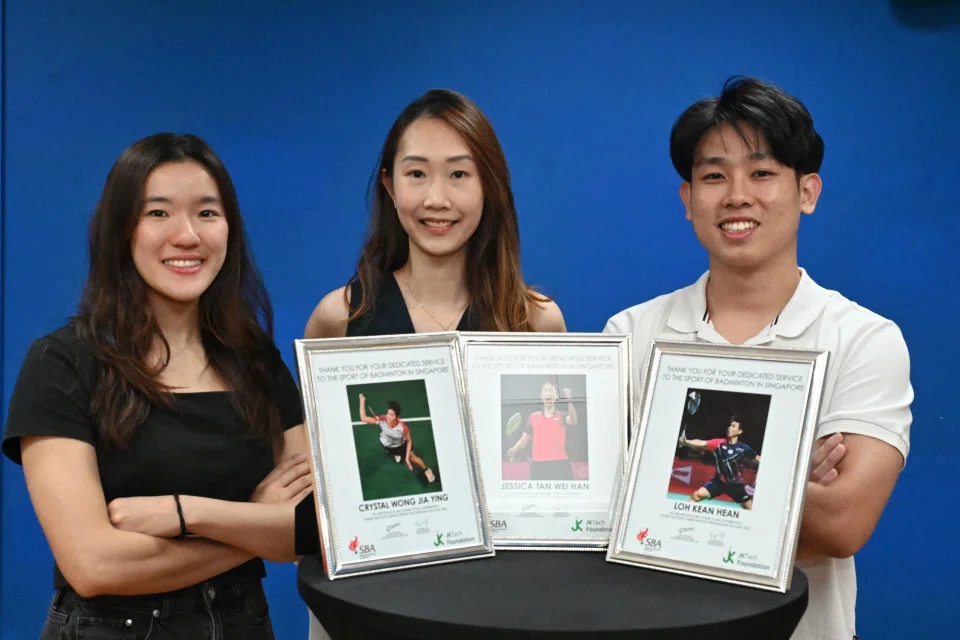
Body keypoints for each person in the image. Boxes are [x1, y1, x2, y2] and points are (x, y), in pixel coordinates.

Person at [604, 76, 912, 640]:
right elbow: (597, 507)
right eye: (713, 175)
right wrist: (790, 473)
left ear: (808, 192)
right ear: (687, 199)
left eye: (763, 173)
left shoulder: (866, 339)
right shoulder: (630, 334)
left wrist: (656, 479)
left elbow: (842, 523)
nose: (736, 195)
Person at [1, 133, 312, 639]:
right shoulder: (62, 362)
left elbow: (310, 527)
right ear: (120, 230)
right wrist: (255, 523)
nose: (187, 235)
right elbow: (94, 565)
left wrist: (184, 513)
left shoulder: (254, 359)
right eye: (158, 213)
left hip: (243, 623)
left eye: (207, 213)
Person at [299, 88, 566, 640]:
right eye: (416, 174)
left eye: (459, 175)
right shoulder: (341, 317)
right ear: (388, 185)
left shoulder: (535, 322)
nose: (436, 198)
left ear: (489, 186)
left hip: (498, 606)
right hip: (365, 606)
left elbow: (551, 480)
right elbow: (319, 478)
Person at [679, 415, 760, 509]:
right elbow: (702, 443)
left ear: (739, 431)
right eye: (730, 425)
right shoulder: (719, 444)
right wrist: (685, 442)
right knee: (696, 495)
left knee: (750, 509)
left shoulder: (743, 448)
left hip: (736, 486)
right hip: (718, 482)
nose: (730, 428)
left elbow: (758, 459)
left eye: (733, 426)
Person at [507, 381, 579, 480]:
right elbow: (524, 439)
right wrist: (515, 448)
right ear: (541, 396)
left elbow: (573, 420)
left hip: (560, 464)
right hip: (538, 465)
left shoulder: (562, 416)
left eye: (551, 390)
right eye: (545, 390)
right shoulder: (533, 417)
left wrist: (569, 400)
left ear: (556, 396)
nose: (548, 393)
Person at [358, 395, 436, 483]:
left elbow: (409, 441)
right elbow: (363, 418)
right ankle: (396, 454)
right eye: (387, 413)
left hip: (401, 446)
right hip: (387, 446)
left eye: (391, 415)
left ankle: (426, 470)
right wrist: (362, 400)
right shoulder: (381, 420)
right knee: (389, 451)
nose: (388, 417)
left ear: (397, 417)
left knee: (413, 458)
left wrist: (407, 458)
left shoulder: (402, 428)